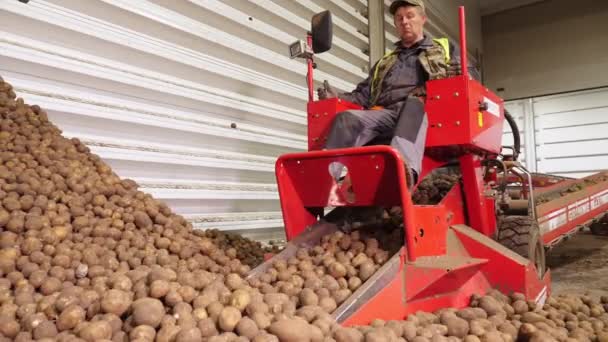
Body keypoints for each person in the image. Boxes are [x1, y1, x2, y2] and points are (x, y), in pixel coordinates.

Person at [318, 0, 478, 187]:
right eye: (399, 18)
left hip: (425, 111)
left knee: (412, 105)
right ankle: (325, 181)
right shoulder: (385, 62)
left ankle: (402, 171)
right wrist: (336, 96)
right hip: (385, 114)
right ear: (395, 24)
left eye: (410, 16)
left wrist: (465, 73)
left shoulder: (445, 49)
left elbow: (472, 77)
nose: (405, 22)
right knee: (346, 118)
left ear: (423, 19)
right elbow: (362, 96)